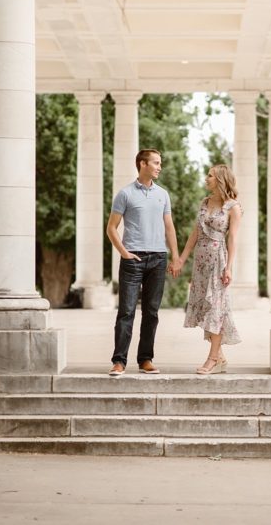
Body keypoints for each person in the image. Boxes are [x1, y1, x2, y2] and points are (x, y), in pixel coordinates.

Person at [106, 148, 180, 376]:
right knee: (126, 311)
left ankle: (145, 359)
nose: (159, 167)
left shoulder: (163, 194)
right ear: (142, 164)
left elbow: (169, 227)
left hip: (158, 258)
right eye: (156, 163)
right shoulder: (125, 194)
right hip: (133, 259)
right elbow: (111, 228)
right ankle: (119, 361)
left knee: (152, 312)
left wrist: (175, 257)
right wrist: (124, 252)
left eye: (160, 163)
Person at [177, 164, 243, 374]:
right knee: (207, 309)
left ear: (221, 180)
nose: (206, 179)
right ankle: (221, 357)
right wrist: (181, 259)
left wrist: (229, 268)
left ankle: (213, 358)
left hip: (218, 261)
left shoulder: (233, 207)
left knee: (216, 308)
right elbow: (194, 234)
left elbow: (232, 239)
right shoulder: (205, 203)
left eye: (210, 176)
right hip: (200, 263)